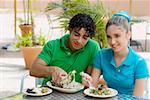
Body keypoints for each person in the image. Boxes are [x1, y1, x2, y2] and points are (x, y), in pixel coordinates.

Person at [81, 11, 150, 96]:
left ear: (128, 35)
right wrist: (88, 82)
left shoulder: (139, 63)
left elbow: (137, 98)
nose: (112, 42)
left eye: (117, 36)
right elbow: (92, 88)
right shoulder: (101, 55)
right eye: (109, 37)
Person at [30, 13, 100, 86]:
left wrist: (88, 81)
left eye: (85, 38)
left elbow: (91, 81)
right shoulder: (52, 46)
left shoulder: (93, 47)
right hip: (50, 92)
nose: (79, 40)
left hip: (77, 94)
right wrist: (53, 70)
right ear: (70, 30)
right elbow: (33, 70)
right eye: (76, 35)